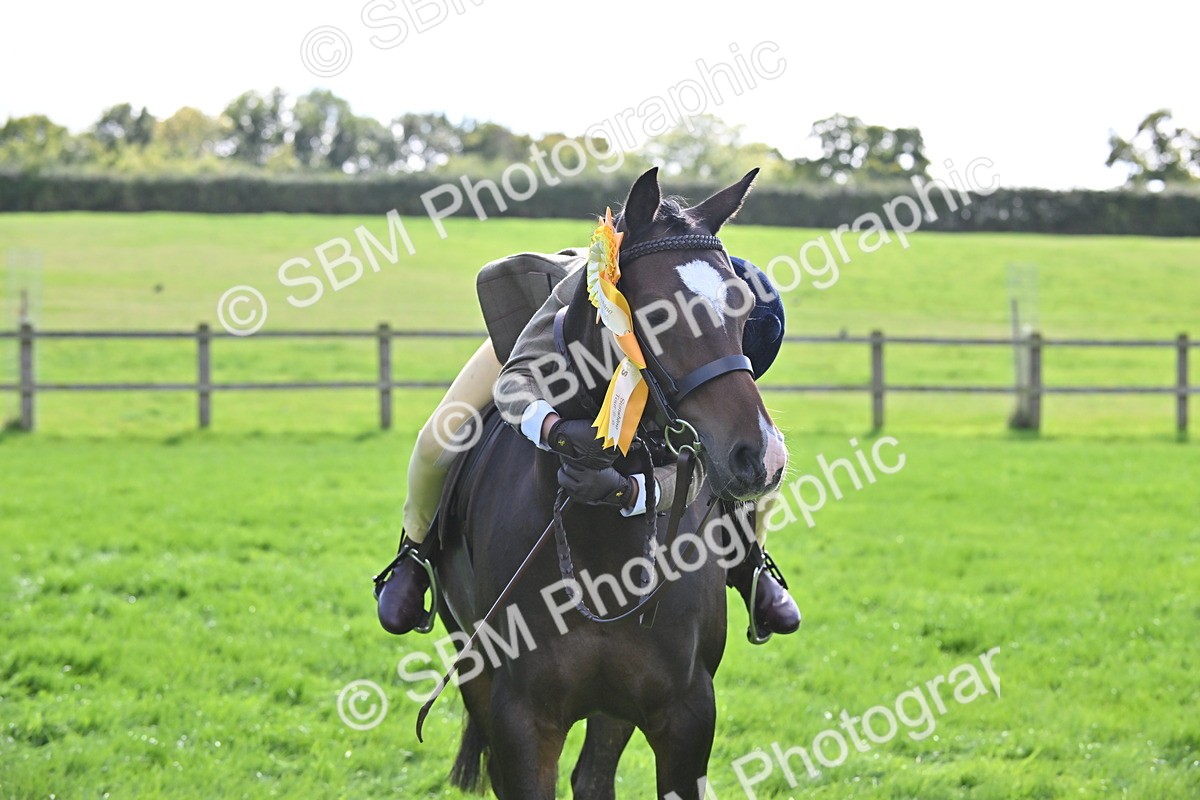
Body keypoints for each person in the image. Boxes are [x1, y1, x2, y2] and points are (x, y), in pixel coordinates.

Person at [375, 247, 801, 641]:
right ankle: (415, 554)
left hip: (660, 360)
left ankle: (752, 566)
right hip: (545, 337)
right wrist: (554, 428)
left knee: (757, 450)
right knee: (437, 440)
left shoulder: (696, 330)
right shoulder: (592, 283)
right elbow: (519, 379)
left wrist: (636, 490)